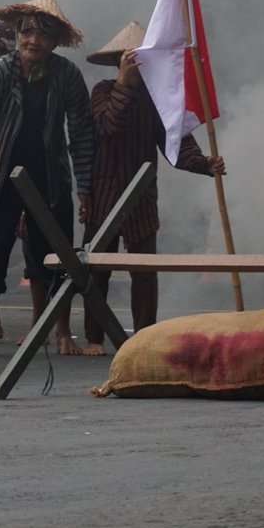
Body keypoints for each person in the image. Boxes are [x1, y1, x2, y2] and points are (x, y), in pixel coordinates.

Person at [0, 0, 96, 358]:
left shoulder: (67, 75)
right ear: (18, 34)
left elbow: (81, 133)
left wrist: (84, 187)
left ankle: (59, 330)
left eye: (42, 34)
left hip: (48, 176)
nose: (33, 40)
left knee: (56, 255)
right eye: (27, 32)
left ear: (54, 42)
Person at [80, 21, 224, 350]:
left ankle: (144, 336)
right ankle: (94, 337)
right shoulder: (102, 90)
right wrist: (123, 85)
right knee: (96, 268)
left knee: (144, 271)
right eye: (128, 59)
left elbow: (176, 143)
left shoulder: (160, 99)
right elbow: (108, 127)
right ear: (118, 61)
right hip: (104, 192)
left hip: (142, 193)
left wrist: (204, 164)